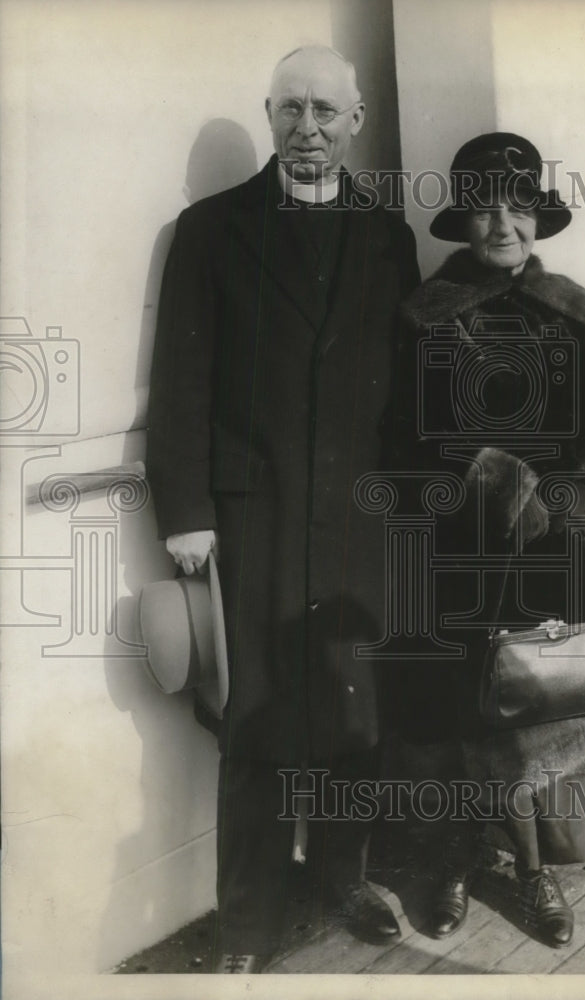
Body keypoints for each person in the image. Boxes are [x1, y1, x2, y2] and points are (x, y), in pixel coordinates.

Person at [146, 45, 420, 973]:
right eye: (290, 109)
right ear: (270, 115)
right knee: (255, 723)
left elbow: (412, 386)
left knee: (358, 712)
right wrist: (185, 510)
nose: (307, 128)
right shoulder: (212, 230)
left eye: (324, 112)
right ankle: (250, 924)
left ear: (355, 124)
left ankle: (341, 874)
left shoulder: (389, 237)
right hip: (253, 519)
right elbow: (180, 381)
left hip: (362, 522)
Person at [386, 132, 585, 949]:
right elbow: (404, 441)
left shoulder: (572, 307)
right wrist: (498, 486)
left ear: (536, 216)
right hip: (465, 544)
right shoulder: (423, 316)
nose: (502, 223)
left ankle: (536, 869)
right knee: (467, 710)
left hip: (565, 543)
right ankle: (458, 861)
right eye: (484, 206)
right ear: (462, 218)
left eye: (518, 206)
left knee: (553, 697)